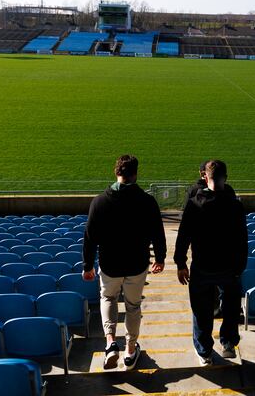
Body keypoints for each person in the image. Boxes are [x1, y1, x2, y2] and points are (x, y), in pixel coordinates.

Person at [82, 154, 167, 370]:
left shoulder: (100, 201)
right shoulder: (147, 202)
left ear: (116, 172)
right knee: (133, 306)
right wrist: (160, 258)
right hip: (137, 264)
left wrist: (87, 265)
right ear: (135, 174)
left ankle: (111, 343)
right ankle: (130, 349)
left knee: (108, 298)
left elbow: (90, 237)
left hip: (110, 264)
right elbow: (158, 232)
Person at [174, 159, 247, 365]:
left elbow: (183, 236)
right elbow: (242, 240)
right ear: (226, 177)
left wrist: (181, 263)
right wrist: (239, 267)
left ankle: (204, 350)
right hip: (229, 267)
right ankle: (228, 343)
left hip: (203, 267)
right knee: (231, 307)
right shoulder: (235, 205)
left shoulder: (195, 204)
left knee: (201, 310)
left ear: (205, 177)